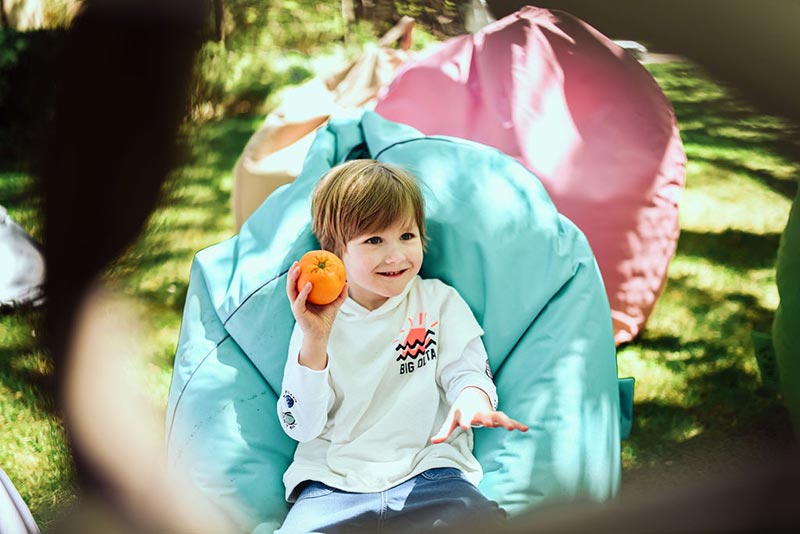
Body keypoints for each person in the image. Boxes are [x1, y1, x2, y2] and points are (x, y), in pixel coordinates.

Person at [277, 159, 528, 533]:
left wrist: (472, 397)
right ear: (335, 252)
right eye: (374, 240)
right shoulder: (317, 321)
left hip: (431, 474)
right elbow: (301, 425)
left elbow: (467, 369)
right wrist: (315, 338)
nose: (396, 256)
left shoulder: (439, 301)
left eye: (407, 236)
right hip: (333, 483)